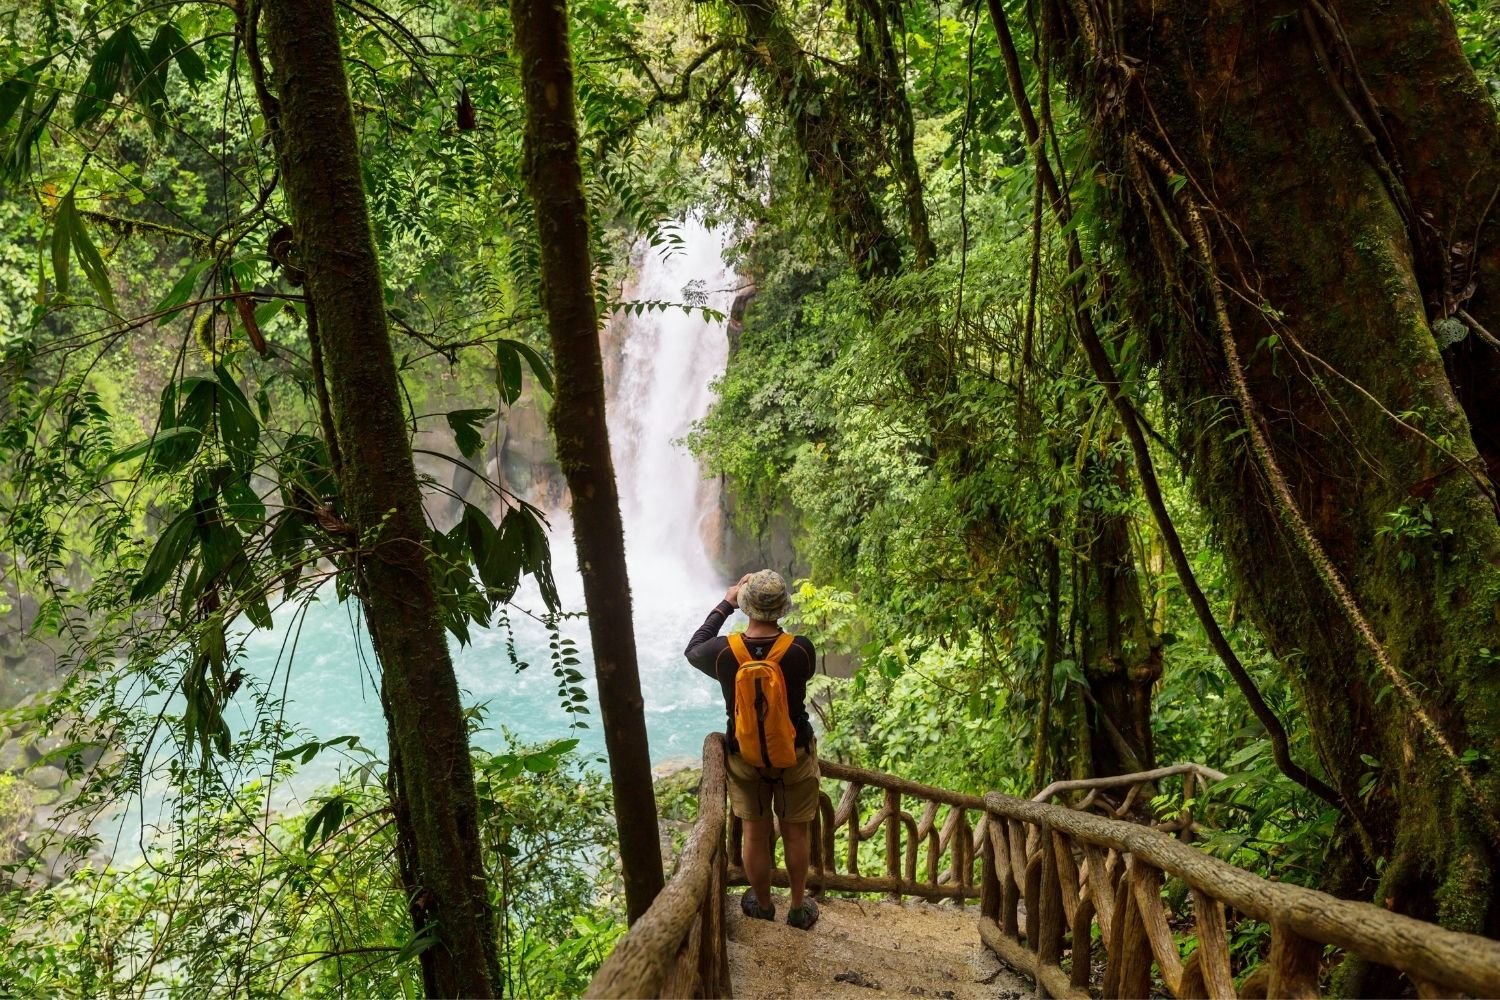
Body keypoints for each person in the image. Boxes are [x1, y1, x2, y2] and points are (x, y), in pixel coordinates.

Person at [685, 569, 821, 930]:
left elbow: (693, 648)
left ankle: (762, 905)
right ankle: (796, 907)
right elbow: (801, 680)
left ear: (746, 606)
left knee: (755, 833)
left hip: (744, 757)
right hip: (795, 753)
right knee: (795, 833)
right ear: (782, 608)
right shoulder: (800, 649)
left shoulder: (724, 654)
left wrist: (726, 603)